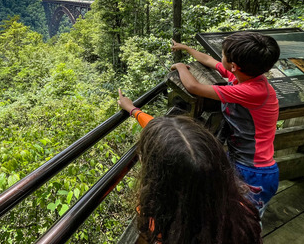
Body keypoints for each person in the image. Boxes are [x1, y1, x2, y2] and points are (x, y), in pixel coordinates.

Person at [118, 90, 262, 244]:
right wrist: (134, 111)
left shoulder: (164, 226)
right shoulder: (240, 212)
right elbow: (175, 141)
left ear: (160, 179)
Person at [170, 31, 280, 217]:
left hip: (254, 172)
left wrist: (181, 67)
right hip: (243, 162)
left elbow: (194, 87)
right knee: (230, 211)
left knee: (245, 219)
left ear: (235, 66)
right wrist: (186, 48)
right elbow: (209, 60)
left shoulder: (251, 91)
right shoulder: (247, 77)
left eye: (223, 55)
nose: (220, 57)